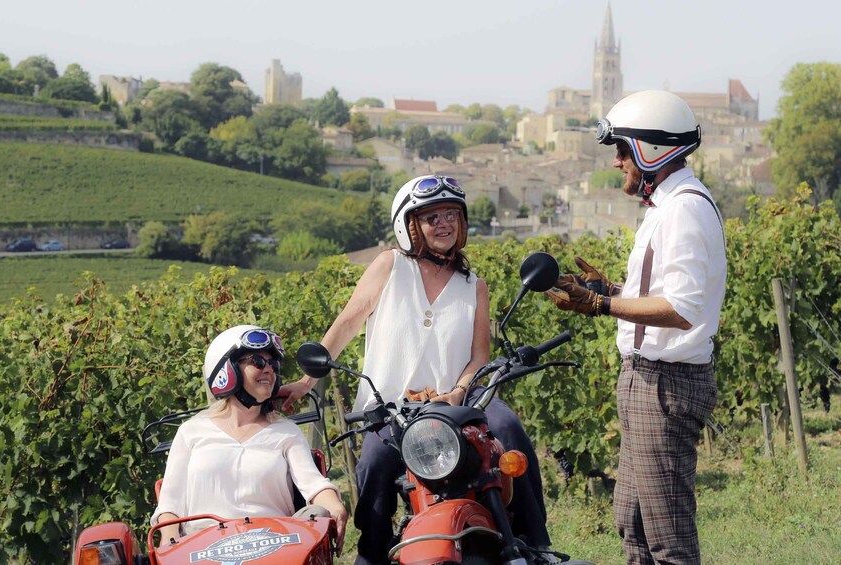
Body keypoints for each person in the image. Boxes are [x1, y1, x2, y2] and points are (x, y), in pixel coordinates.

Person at [281, 175, 556, 564]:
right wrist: (308, 379)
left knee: (507, 427)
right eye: (432, 218)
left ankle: (533, 542)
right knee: (376, 461)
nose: (443, 224)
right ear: (410, 226)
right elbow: (347, 322)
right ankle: (373, 554)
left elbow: (480, 356)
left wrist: (459, 391)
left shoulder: (474, 285)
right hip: (391, 403)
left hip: (460, 401)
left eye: (450, 216)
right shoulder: (390, 266)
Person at [547, 90, 726, 565]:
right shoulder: (664, 207)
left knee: (667, 537)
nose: (617, 162)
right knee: (634, 521)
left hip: (665, 384)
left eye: (622, 150)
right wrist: (607, 286)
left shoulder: (684, 208)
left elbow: (684, 307)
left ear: (651, 149)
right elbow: (667, 290)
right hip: (646, 379)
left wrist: (603, 304)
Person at [150, 324, 347, 552]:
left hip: (273, 545)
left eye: (273, 364)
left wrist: (334, 505)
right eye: (258, 362)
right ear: (226, 369)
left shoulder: (286, 432)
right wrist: (170, 538)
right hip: (205, 548)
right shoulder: (191, 432)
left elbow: (313, 484)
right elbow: (170, 503)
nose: (269, 370)